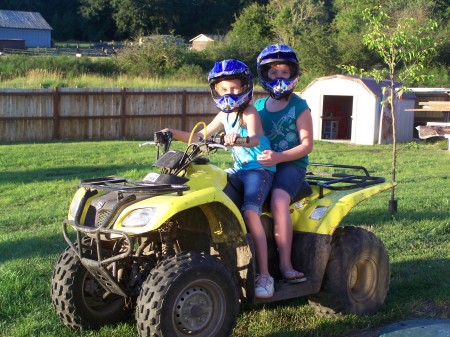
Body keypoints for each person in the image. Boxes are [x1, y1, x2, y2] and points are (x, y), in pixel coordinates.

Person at [160, 59, 277, 298]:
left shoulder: (249, 112)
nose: (229, 94)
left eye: (234, 88)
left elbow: (254, 138)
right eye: (224, 89)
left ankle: (264, 274)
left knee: (250, 211)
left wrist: (237, 138)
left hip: (259, 170)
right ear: (216, 90)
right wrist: (171, 132)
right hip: (239, 169)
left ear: (245, 87)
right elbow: (200, 135)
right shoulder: (224, 115)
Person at [254, 44, 313, 283]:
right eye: (273, 72)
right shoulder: (256, 107)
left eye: (284, 72)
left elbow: (307, 145)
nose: (279, 77)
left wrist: (279, 157)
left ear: (293, 74)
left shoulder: (299, 106)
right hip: (262, 165)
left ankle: (286, 264)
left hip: (291, 165)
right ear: (265, 75)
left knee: (279, 200)